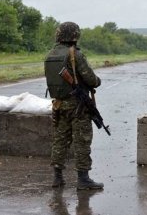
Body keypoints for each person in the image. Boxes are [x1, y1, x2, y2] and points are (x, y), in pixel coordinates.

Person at [45, 22, 103, 190]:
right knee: (82, 140)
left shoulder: (50, 54)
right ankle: (83, 179)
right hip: (78, 106)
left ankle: (57, 178)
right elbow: (91, 80)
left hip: (59, 104)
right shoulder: (75, 54)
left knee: (59, 140)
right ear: (75, 36)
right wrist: (97, 81)